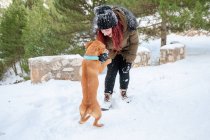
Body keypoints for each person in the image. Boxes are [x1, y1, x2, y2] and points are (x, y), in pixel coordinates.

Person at [93, 5, 139, 109]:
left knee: (125, 71)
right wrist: (101, 55)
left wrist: (129, 61)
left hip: (126, 51)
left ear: (115, 26)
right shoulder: (101, 32)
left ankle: (124, 92)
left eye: (107, 30)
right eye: (102, 30)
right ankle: (107, 96)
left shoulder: (129, 27)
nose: (104, 33)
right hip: (112, 52)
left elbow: (134, 43)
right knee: (111, 72)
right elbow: (100, 46)